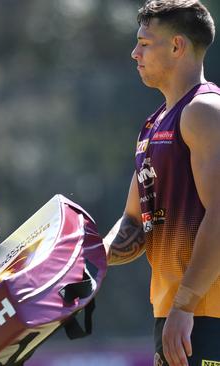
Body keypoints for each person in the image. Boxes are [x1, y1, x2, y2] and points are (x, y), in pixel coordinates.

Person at [104, 1, 220, 365]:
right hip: (174, 313)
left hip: (204, 314)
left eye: (145, 42)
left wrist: (185, 304)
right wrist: (75, 260)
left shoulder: (204, 111)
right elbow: (135, 223)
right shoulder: (154, 125)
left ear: (177, 46)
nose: (134, 52)